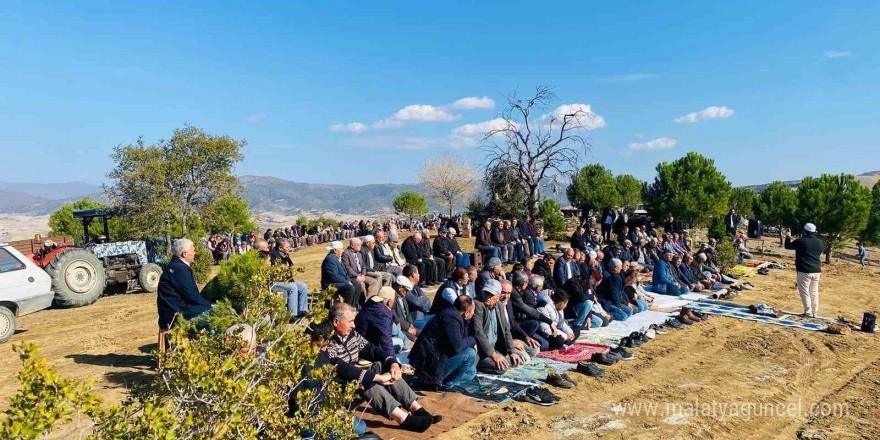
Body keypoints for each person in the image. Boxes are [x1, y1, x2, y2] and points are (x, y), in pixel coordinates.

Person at [326, 303, 440, 433]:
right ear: (336, 321)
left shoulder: (351, 335)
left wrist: (392, 363)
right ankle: (402, 418)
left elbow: (371, 349)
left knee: (382, 365)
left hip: (350, 381)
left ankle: (416, 408)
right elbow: (342, 368)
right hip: (337, 390)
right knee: (364, 380)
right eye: (350, 321)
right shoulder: (326, 341)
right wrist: (376, 377)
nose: (354, 325)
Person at [409, 295, 479, 391]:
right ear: (466, 313)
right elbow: (457, 347)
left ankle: (441, 381)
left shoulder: (454, 315)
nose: (473, 313)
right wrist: (472, 340)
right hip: (430, 363)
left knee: (471, 371)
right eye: (473, 311)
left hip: (439, 356)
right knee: (470, 354)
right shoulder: (451, 319)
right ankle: (440, 383)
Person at [471, 279, 528, 374]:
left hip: (495, 347)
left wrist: (511, 351)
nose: (487, 297)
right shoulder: (478, 304)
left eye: (491, 295)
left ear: (498, 296)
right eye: (486, 293)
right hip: (482, 350)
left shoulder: (499, 305)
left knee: (518, 358)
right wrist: (493, 354)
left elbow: (506, 330)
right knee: (502, 367)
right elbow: (478, 332)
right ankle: (477, 366)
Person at [157, 238, 213, 329]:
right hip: (176, 317)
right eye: (193, 251)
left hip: (169, 315)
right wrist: (210, 305)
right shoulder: (180, 269)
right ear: (184, 254)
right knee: (215, 312)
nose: (195, 253)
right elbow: (192, 296)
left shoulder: (173, 265)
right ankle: (212, 342)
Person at [356, 286, 409, 354]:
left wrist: (397, 320)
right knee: (400, 342)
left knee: (394, 328)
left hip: (364, 335)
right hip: (368, 344)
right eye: (394, 299)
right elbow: (386, 342)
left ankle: (407, 342)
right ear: (389, 301)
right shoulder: (383, 315)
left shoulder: (372, 301)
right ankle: (407, 343)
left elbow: (390, 311)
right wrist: (392, 361)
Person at [785, 223, 823, 318]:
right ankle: (815, 312)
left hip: (804, 270)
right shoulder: (820, 242)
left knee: (804, 292)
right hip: (817, 270)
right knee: (814, 292)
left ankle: (808, 312)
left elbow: (787, 246)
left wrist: (788, 236)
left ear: (804, 231)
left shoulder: (801, 241)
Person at [510, 274, 554, 350]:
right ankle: (523, 342)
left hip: (517, 323)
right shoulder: (514, 294)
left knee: (545, 345)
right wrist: (549, 321)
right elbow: (529, 311)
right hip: (514, 325)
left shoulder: (518, 292)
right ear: (524, 283)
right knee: (534, 324)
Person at [269, 238, 309, 318]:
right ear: (280, 248)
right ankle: (292, 315)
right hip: (275, 282)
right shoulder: (273, 256)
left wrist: (291, 280)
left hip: (287, 281)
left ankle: (302, 310)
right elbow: (275, 273)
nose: (289, 248)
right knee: (293, 288)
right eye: (287, 247)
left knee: (302, 286)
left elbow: (289, 269)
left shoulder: (285, 255)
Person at [320, 241, 363, 307]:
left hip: (339, 281)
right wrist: (347, 282)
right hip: (331, 284)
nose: (343, 251)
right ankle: (347, 308)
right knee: (350, 288)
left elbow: (345, 273)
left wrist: (349, 280)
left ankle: (353, 306)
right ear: (335, 250)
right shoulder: (330, 259)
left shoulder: (337, 258)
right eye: (341, 249)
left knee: (357, 284)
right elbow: (334, 277)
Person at [391, 275, 419, 343]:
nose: (406, 292)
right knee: (415, 340)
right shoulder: (392, 298)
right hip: (400, 328)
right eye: (406, 290)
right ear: (400, 288)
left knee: (423, 333)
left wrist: (411, 324)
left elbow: (407, 312)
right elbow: (394, 317)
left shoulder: (403, 297)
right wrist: (408, 327)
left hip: (407, 325)